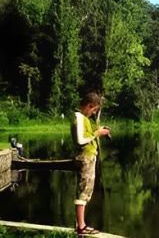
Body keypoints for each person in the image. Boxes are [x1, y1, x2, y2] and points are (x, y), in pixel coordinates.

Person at [70, 92, 110, 236]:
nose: (93, 113)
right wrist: (97, 134)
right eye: (94, 110)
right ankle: (81, 226)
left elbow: (86, 135)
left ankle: (81, 225)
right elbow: (80, 140)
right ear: (89, 105)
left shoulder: (83, 119)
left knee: (86, 192)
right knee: (84, 191)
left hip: (89, 158)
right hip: (85, 158)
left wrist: (97, 131)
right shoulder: (79, 118)